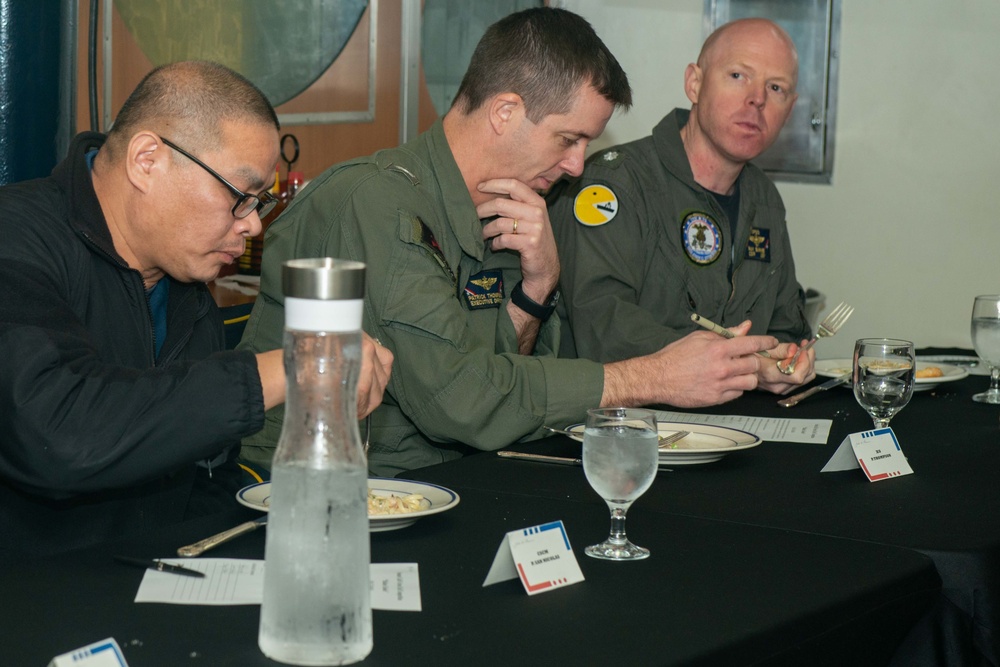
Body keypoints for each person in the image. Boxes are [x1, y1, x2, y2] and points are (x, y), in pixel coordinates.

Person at [239, 7, 780, 477]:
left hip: (444, 479)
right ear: (504, 112)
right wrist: (653, 376)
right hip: (324, 488)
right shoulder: (376, 203)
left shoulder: (508, 207)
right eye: (568, 139)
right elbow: (464, 402)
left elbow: (502, 376)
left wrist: (538, 287)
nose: (575, 165)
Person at [0, 61, 392, 558]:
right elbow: (56, 433)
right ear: (147, 160)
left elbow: (206, 473)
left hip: (147, 584)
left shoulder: (184, 286)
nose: (251, 227)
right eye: (240, 196)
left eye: (259, 203)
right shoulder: (17, 240)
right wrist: (295, 364)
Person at [548, 18, 814, 394]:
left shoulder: (764, 198)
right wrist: (743, 362)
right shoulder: (613, 185)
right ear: (694, 83)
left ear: (790, 109)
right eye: (738, 75)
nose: (757, 99)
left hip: (732, 429)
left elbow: (787, 324)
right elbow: (601, 329)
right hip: (619, 429)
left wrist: (788, 357)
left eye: (776, 87)